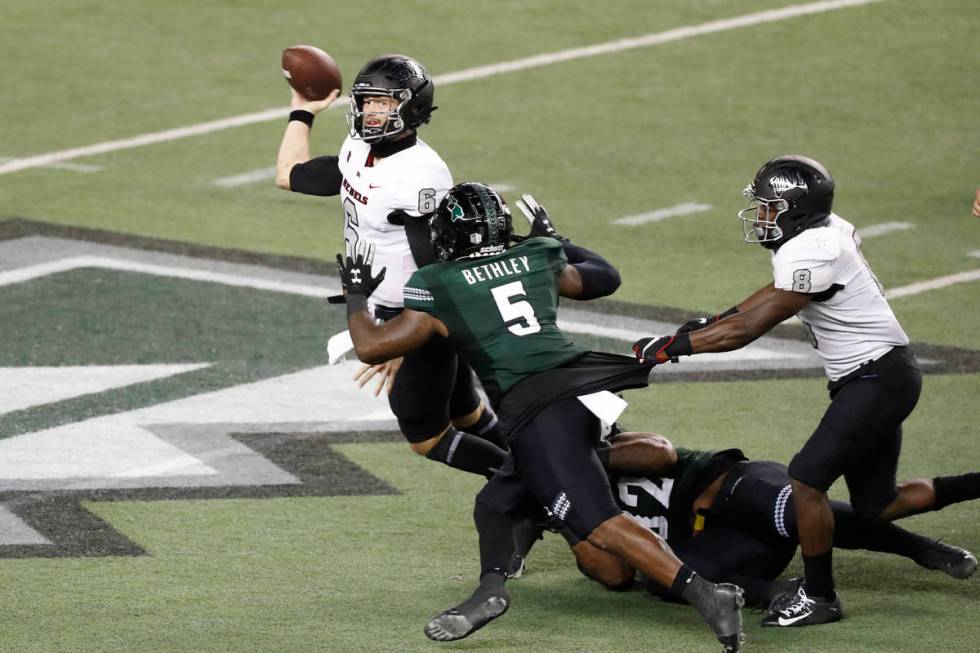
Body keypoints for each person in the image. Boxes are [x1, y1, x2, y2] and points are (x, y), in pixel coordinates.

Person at [338, 183, 745, 652]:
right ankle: (488, 593)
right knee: (495, 502)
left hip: (539, 405)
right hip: (582, 389)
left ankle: (707, 595)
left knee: (601, 523)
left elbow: (371, 346)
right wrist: (556, 239)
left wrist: (355, 293)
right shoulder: (539, 255)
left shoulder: (438, 282)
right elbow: (604, 277)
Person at [632, 154, 980, 627]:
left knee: (806, 481)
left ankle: (819, 596)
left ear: (794, 207)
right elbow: (771, 295)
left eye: (769, 205)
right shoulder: (816, 232)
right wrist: (713, 319)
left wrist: (677, 347)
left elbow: (753, 326)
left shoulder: (813, 248)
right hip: (877, 376)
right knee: (877, 504)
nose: (762, 215)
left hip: (876, 378)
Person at [275, 54, 507, 479]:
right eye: (367, 102)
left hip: (421, 313)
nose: (371, 112)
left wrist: (400, 336)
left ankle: (539, 486)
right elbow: (290, 174)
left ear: (412, 107)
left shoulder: (419, 173)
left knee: (427, 436)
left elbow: (438, 268)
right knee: (466, 413)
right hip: (396, 310)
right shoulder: (358, 149)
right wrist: (303, 110)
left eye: (384, 103)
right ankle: (546, 469)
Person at [571, 431, 978, 607]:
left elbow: (660, 453)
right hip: (727, 548)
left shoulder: (609, 443)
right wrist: (566, 518)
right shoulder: (560, 503)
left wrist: (584, 461)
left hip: (735, 488)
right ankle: (782, 593)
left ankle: (921, 548)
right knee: (664, 579)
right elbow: (618, 575)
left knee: (795, 510)